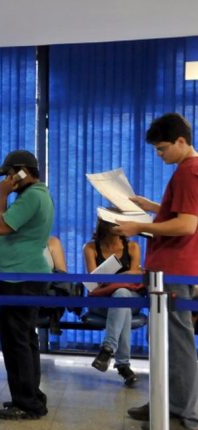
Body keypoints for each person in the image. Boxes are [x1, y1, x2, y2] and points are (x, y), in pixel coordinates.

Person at [112, 113, 198, 429]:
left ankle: (184, 412)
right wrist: (152, 208)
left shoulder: (189, 172)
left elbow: (187, 225)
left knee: (177, 342)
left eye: (162, 148)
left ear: (181, 141)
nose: (159, 155)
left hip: (175, 269)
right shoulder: (186, 171)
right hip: (171, 267)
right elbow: (182, 214)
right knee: (164, 340)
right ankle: (167, 402)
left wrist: (140, 226)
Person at [0, 150, 53, 420]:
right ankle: (28, 396)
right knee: (24, 339)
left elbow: (2, 227)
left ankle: (27, 403)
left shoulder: (32, 196)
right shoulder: (37, 195)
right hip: (21, 276)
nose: (6, 180)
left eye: (9, 174)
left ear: (22, 172)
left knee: (17, 342)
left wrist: (2, 196)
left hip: (20, 277)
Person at [0, 236, 67, 346]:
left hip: (45, 297)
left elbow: (62, 277)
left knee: (25, 293)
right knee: (17, 291)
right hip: (18, 293)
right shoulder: (12, 243)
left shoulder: (52, 242)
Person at [85, 218, 142, 387]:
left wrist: (113, 279)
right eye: (114, 224)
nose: (119, 227)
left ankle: (108, 349)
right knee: (122, 304)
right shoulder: (90, 248)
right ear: (104, 226)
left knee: (122, 295)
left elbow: (135, 276)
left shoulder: (132, 247)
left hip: (130, 297)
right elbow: (94, 281)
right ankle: (122, 365)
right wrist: (123, 277)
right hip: (102, 300)